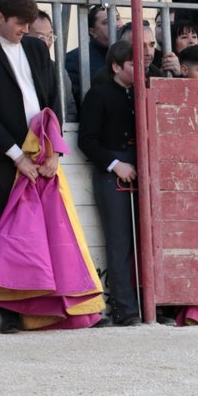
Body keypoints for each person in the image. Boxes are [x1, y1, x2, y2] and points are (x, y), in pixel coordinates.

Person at [0, 0, 65, 333]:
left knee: (49, 226)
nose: (25, 29)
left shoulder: (37, 48)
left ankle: (51, 302)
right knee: (6, 229)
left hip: (42, 151)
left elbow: (53, 98)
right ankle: (9, 310)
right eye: (19, 23)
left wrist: (54, 149)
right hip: (3, 156)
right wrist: (16, 155)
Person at [78, 40, 143, 327]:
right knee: (119, 242)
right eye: (133, 64)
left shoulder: (142, 93)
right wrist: (116, 165)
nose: (139, 69)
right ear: (116, 67)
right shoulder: (99, 95)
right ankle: (124, 308)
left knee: (145, 241)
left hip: (141, 167)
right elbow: (87, 141)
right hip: (113, 171)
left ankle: (149, 303)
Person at [64, 5, 121, 107]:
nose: (116, 24)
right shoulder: (74, 58)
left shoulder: (128, 54)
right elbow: (75, 99)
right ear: (93, 32)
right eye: (106, 22)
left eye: (117, 19)